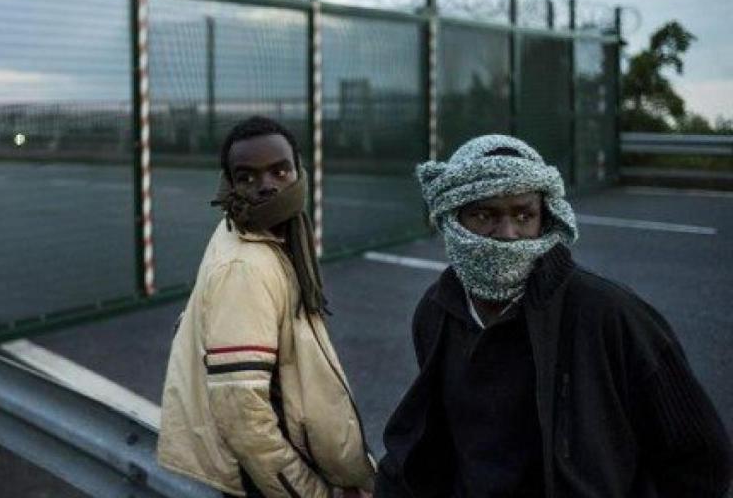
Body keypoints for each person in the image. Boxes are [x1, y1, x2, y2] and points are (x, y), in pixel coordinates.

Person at [375, 134, 731, 497]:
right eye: (484, 215)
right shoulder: (438, 310)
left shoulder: (610, 315)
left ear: (545, 219)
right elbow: (431, 442)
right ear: (453, 219)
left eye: (523, 215)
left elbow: (701, 460)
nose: (508, 235)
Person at [158, 116, 374, 497]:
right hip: (269, 479)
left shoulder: (263, 236)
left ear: (298, 172)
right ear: (228, 184)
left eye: (280, 170)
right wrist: (308, 492)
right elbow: (243, 414)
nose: (267, 186)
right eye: (247, 177)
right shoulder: (245, 266)